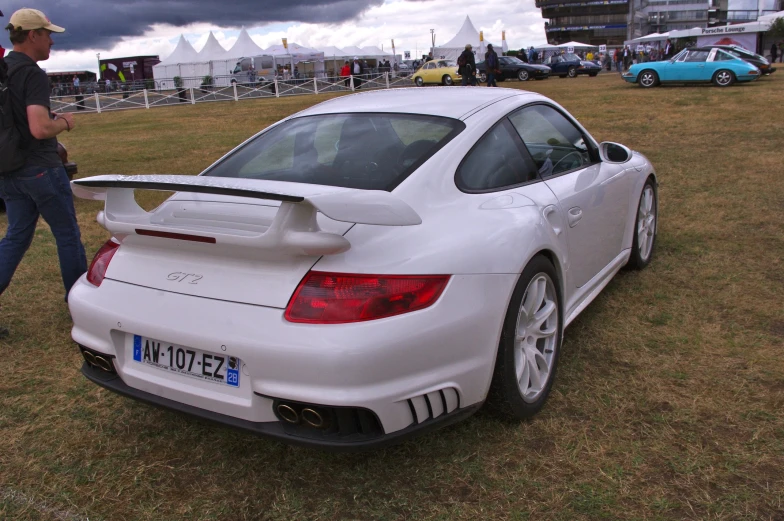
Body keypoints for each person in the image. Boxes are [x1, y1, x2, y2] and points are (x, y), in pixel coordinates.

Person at [0, 9, 87, 337]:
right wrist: (63, 122)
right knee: (67, 235)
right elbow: (39, 128)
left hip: (8, 171)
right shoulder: (31, 74)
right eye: (48, 34)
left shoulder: (2, 69)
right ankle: (81, 306)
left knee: (16, 237)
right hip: (40, 169)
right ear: (33, 35)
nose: (51, 40)